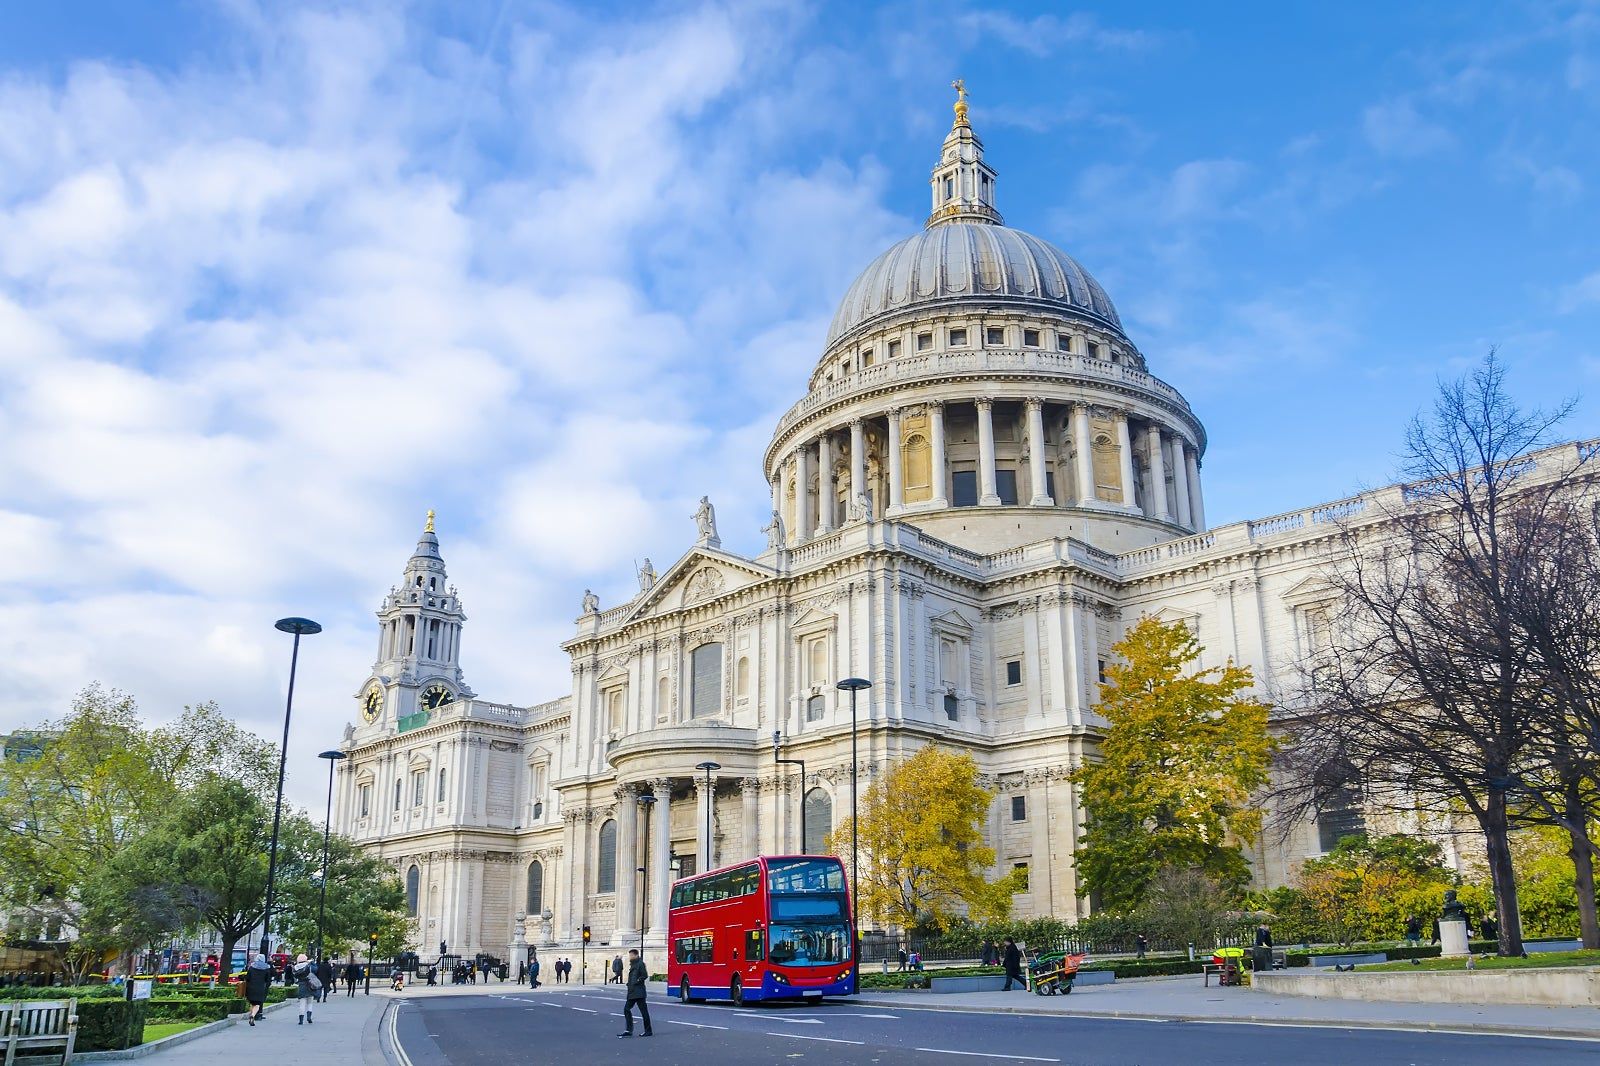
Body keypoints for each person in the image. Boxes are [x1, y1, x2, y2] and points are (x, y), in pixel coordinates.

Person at [617, 948, 652, 1038]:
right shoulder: (633, 964)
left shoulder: (640, 964)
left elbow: (644, 975)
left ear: (636, 955)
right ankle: (629, 1030)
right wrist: (630, 984)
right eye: (630, 955)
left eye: (631, 955)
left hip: (639, 992)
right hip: (632, 992)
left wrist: (637, 981)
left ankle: (648, 1031)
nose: (630, 957)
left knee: (644, 1012)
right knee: (626, 1009)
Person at [244, 954, 271, 1027]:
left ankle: (251, 1014)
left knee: (252, 1003)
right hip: (260, 988)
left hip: (251, 987)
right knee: (257, 1004)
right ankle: (253, 1015)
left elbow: (247, 978)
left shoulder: (252, 967)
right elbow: (268, 980)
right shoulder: (266, 968)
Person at [293, 953, 318, 1025]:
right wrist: (311, 962)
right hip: (310, 985)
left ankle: (301, 1020)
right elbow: (316, 969)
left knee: (302, 1003)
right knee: (310, 1002)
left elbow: (295, 976)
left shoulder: (295, 968)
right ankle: (309, 1017)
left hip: (301, 985)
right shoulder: (309, 966)